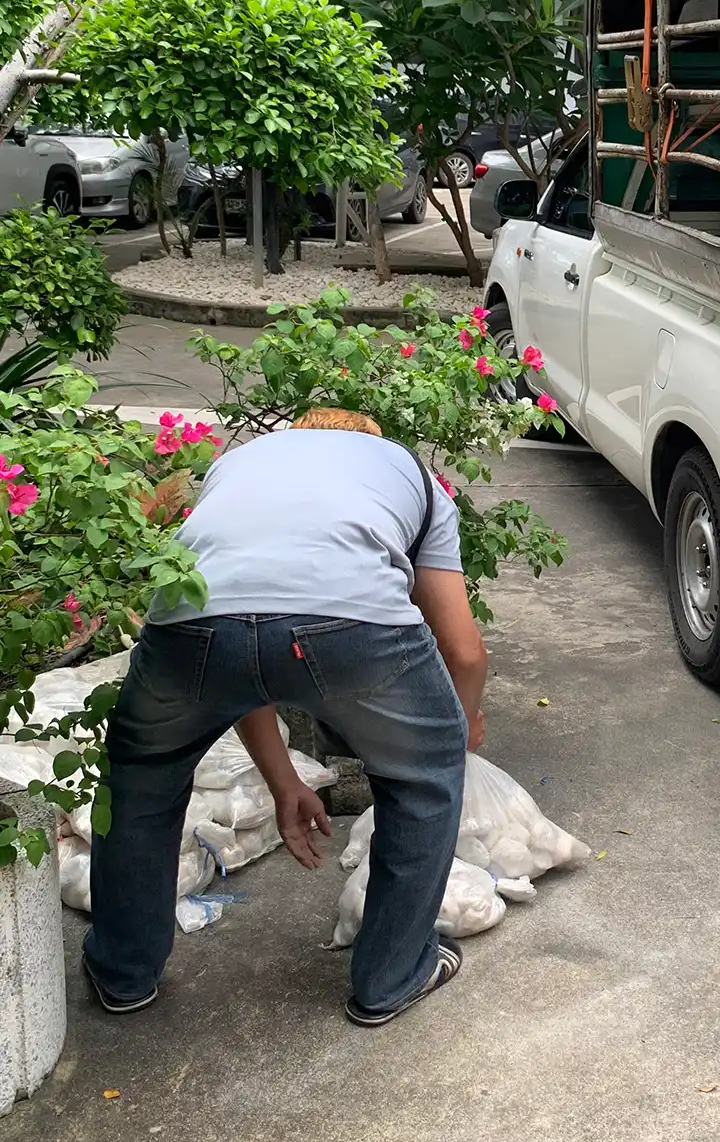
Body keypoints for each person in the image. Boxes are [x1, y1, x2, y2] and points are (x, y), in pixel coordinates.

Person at [83, 407, 487, 1029]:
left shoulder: (235, 465)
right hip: (353, 625)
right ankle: (391, 977)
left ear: (295, 435)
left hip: (191, 628)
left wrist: (284, 783)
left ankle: (123, 974)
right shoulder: (411, 473)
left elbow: (246, 659)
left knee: (140, 775)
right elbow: (463, 650)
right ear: (368, 443)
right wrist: (455, 732)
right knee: (423, 783)